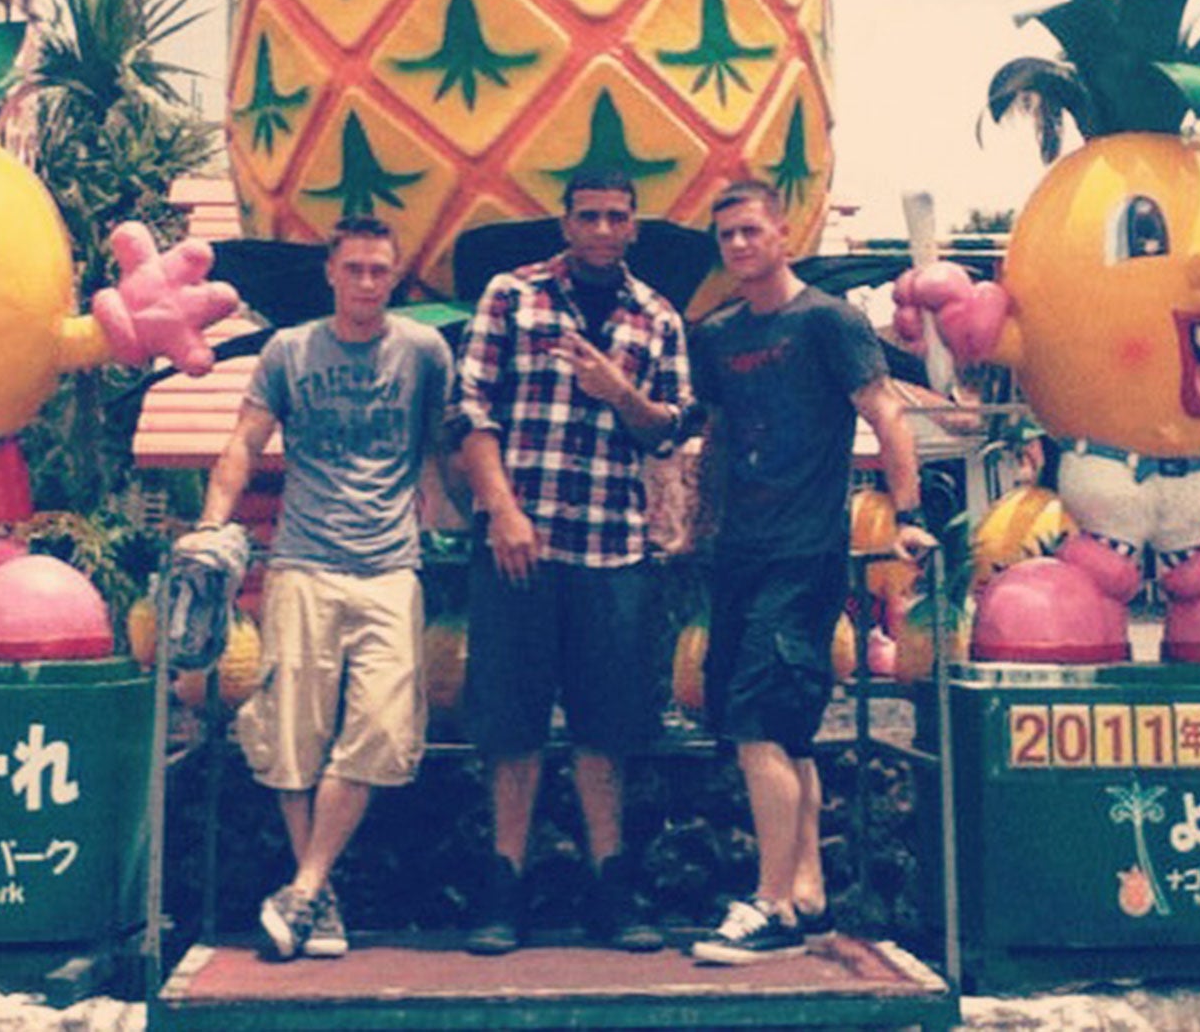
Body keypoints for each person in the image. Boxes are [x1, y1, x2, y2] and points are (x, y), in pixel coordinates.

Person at [186, 216, 455, 962]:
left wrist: (454, 505)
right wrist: (213, 524)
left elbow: (444, 440)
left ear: (395, 279)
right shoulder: (290, 350)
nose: (368, 283)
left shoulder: (425, 351)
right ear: (330, 274)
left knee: (380, 727)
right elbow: (244, 440)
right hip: (302, 559)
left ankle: (302, 889)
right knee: (292, 735)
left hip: (390, 564)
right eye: (355, 269)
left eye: (380, 271)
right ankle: (317, 897)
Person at [686, 180, 931, 965]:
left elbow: (885, 410)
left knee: (760, 724)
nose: (738, 246)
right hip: (738, 554)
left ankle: (769, 907)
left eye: (751, 231)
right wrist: (697, 523)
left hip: (804, 553)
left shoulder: (828, 321)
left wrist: (907, 512)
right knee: (781, 733)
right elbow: (716, 436)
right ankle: (807, 892)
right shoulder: (718, 335)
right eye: (726, 236)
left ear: (782, 234)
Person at [449, 167, 693, 955]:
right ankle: (502, 889)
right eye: (586, 216)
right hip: (522, 544)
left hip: (612, 551)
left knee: (606, 730)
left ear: (632, 229)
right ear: (565, 223)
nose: (600, 229)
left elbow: (669, 431)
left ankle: (611, 891)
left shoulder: (657, 317)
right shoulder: (511, 297)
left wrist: (619, 390)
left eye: (615, 217)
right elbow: (470, 410)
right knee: (512, 726)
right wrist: (501, 509)